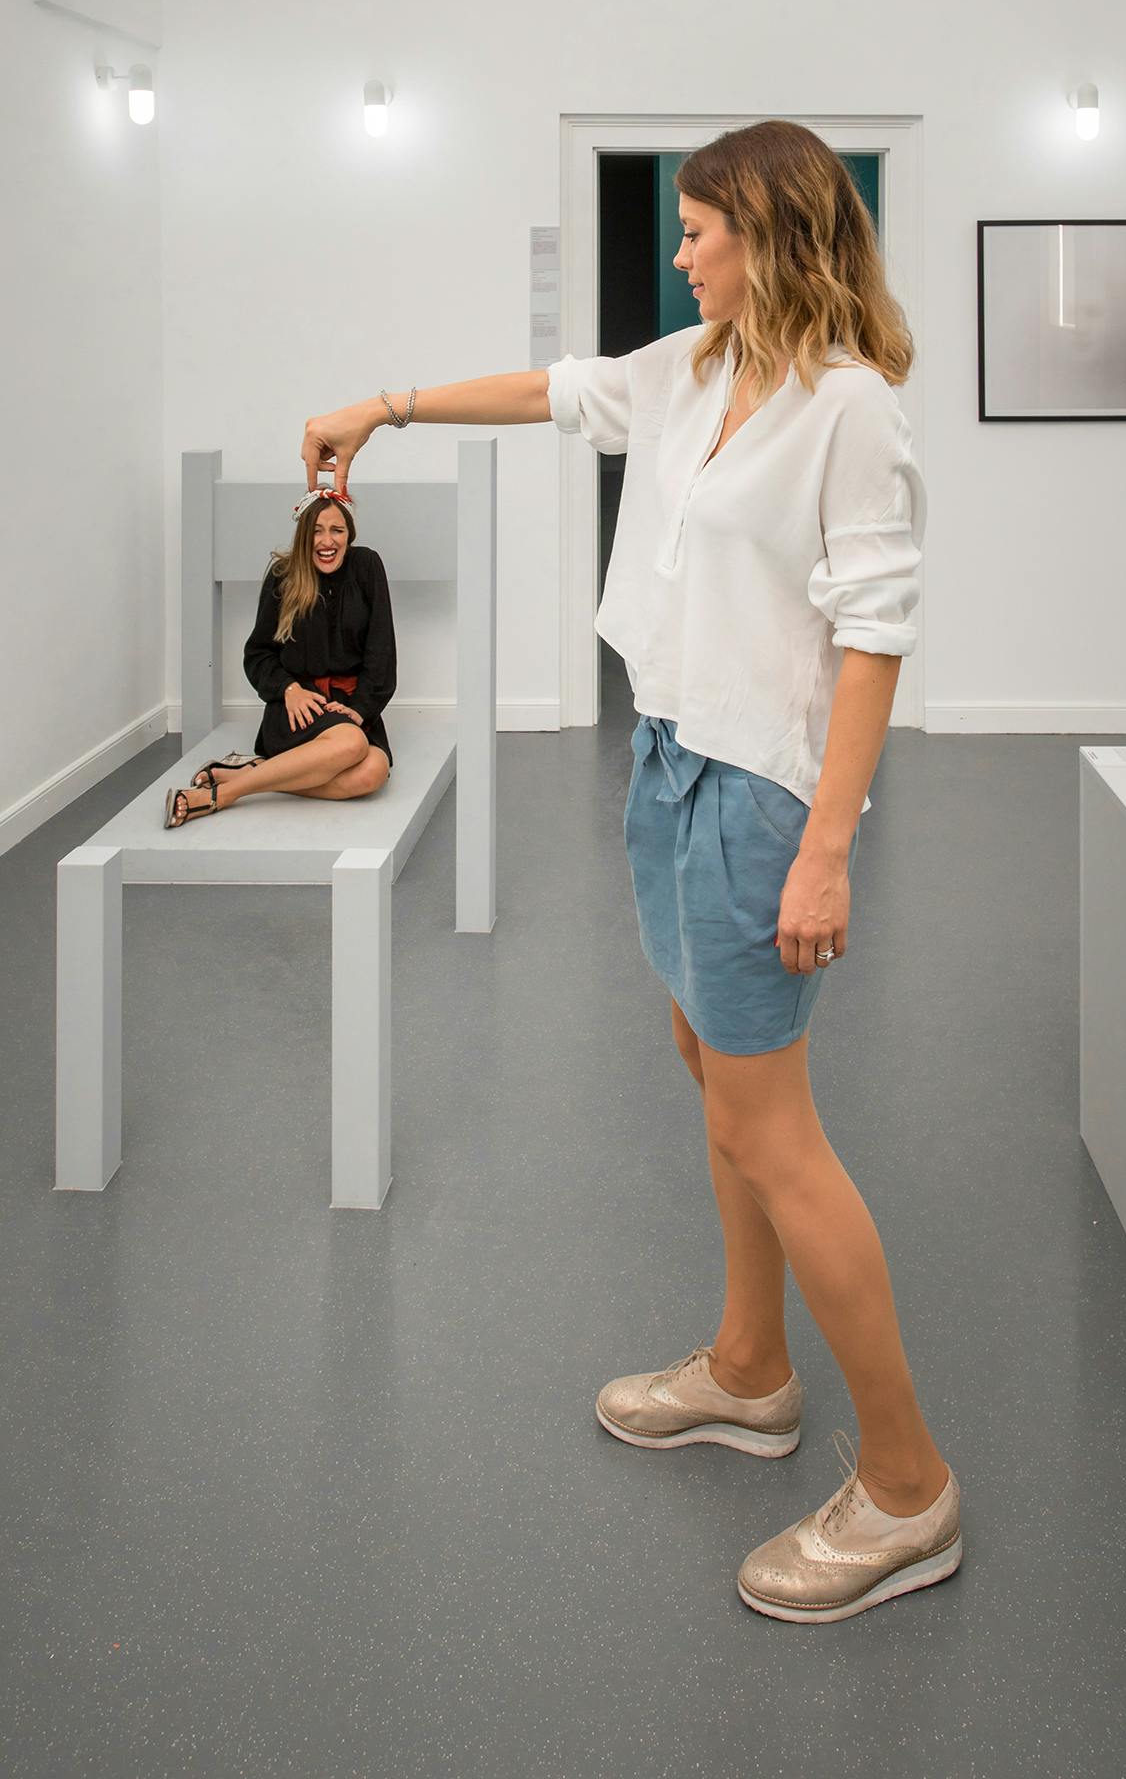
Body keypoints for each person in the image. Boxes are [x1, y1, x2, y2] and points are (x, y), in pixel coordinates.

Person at [298, 117, 961, 1625]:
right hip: (661, 763)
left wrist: (825, 852)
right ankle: (749, 1369)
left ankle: (910, 1488)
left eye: (698, 231)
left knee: (774, 1126)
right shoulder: (693, 368)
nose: (678, 253)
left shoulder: (849, 407)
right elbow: (547, 392)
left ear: (771, 236)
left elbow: (873, 635)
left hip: (754, 793)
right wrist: (385, 408)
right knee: (705, 1065)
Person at [165, 491, 396, 828]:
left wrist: (361, 708)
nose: (327, 541)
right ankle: (223, 796)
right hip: (296, 707)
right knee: (350, 743)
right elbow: (257, 654)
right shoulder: (283, 575)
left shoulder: (367, 566)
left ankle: (253, 773)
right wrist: (289, 689)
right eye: (317, 530)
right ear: (304, 535)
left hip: (347, 702)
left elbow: (382, 649)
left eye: (337, 530)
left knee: (373, 773)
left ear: (349, 536)